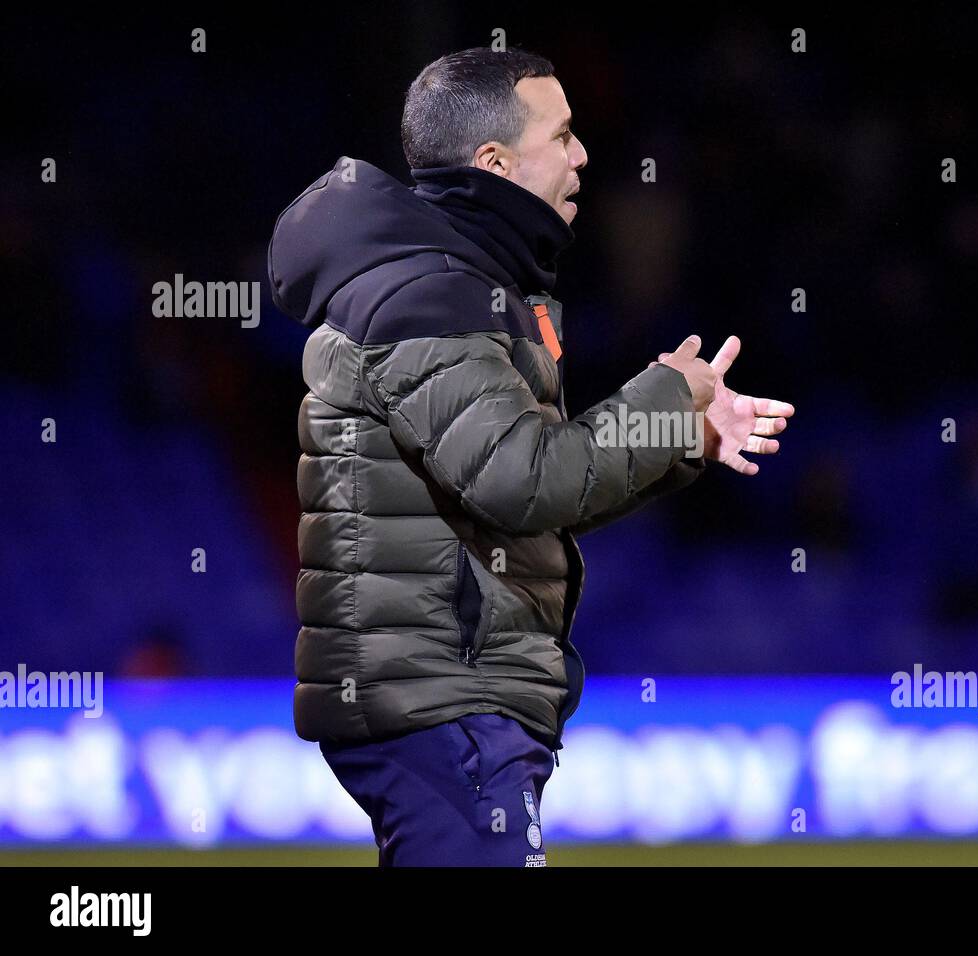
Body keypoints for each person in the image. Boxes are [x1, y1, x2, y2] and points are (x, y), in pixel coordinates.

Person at [266, 46, 793, 866]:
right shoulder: (427, 295)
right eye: (564, 135)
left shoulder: (460, 284)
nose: (584, 155)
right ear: (495, 162)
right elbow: (525, 482)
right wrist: (660, 394)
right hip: (443, 693)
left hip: (451, 691)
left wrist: (677, 434)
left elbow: (538, 487)